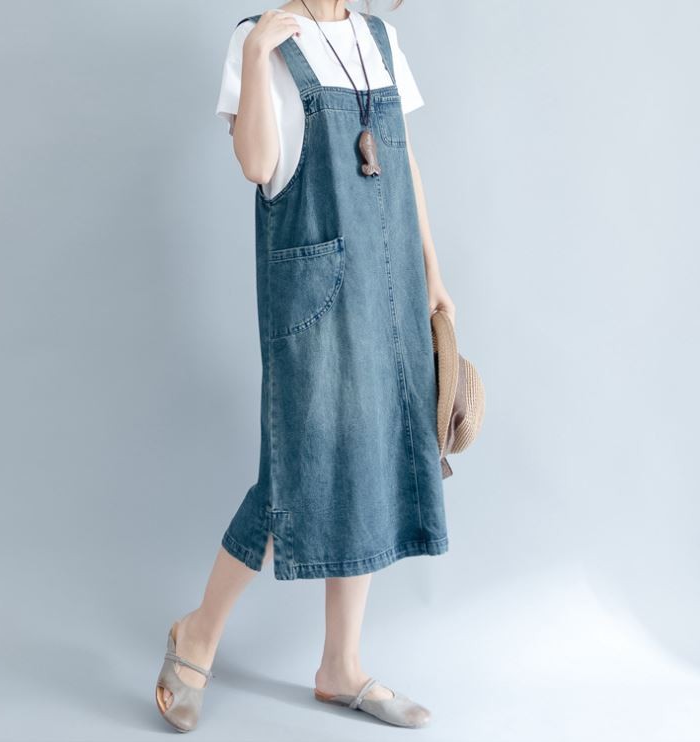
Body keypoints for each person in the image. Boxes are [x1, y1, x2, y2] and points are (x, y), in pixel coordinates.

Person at [155, 0, 456, 731]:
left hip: (393, 282)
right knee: (299, 470)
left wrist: (433, 272)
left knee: (371, 456)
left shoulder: (380, 38)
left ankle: (340, 667)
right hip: (317, 287)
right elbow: (257, 165)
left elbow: (404, 160)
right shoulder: (257, 38)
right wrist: (257, 54)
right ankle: (197, 633)